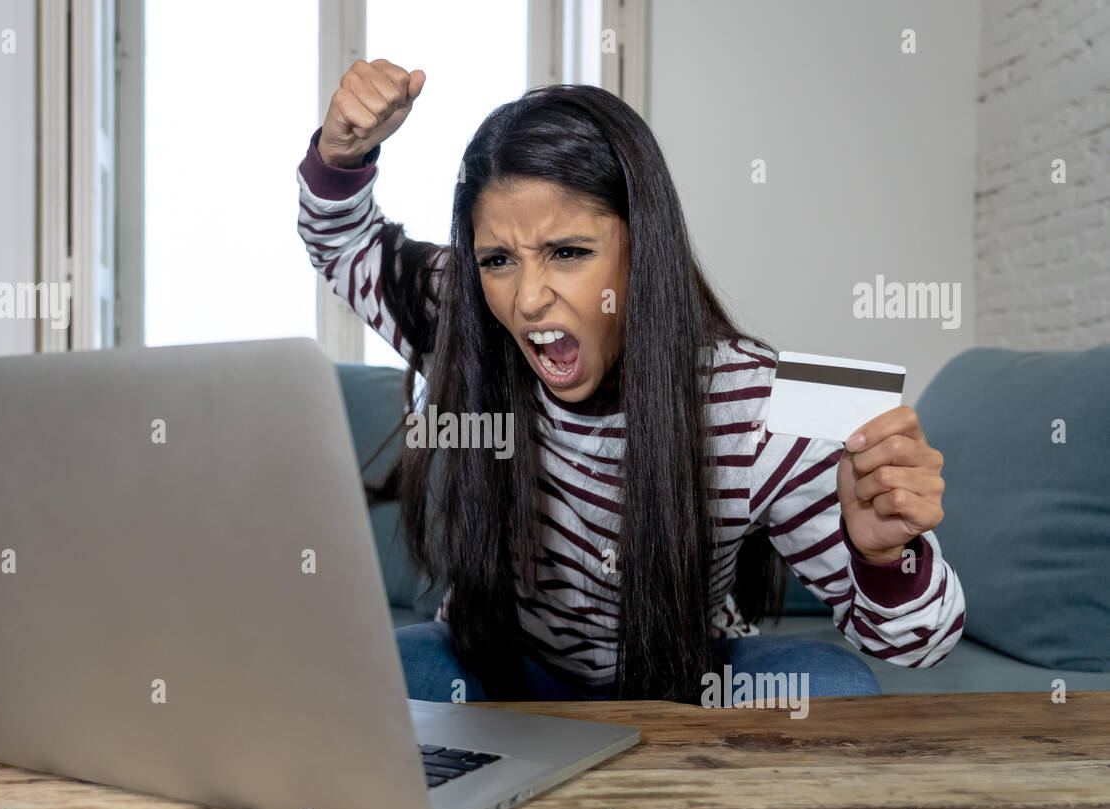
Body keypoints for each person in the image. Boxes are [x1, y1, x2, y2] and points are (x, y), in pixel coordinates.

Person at [296, 59, 965, 704]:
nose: (528, 299)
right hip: (505, 670)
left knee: (835, 689)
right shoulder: (471, 317)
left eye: (568, 252)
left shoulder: (768, 399)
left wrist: (886, 554)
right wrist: (342, 154)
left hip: (685, 679)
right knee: (386, 674)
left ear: (643, 248)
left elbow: (921, 641)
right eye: (498, 259)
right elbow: (342, 243)